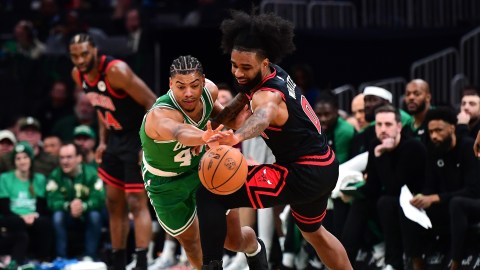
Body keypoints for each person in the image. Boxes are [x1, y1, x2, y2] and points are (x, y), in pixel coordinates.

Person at [199, 10, 352, 270]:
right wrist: (211, 127)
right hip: (324, 166)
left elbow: (262, 116)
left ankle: (213, 266)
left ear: (264, 62)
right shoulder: (273, 73)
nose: (238, 72)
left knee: (211, 192)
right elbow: (241, 100)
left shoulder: (269, 96)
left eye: (245, 67)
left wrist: (236, 136)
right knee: (314, 232)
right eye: (234, 65)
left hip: (302, 173)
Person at [69, 33, 157, 270]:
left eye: (84, 53)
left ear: (95, 50)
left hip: (136, 135)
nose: (79, 60)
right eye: (74, 55)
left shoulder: (116, 71)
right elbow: (100, 106)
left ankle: (141, 262)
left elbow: (152, 102)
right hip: (115, 139)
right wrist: (102, 141)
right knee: (113, 202)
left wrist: (146, 144)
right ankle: (118, 262)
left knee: (136, 202)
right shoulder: (78, 75)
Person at [139, 55, 235, 269]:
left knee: (233, 239)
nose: (189, 93)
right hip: (165, 181)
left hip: (200, 168)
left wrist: (246, 113)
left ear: (203, 81)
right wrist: (202, 136)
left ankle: (254, 251)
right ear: (170, 85)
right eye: (181, 87)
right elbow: (179, 131)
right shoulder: (160, 114)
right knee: (191, 243)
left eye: (194, 85)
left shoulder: (210, 92)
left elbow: (226, 118)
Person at [341, 105, 427, 270]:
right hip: (390, 200)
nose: (382, 129)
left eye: (388, 124)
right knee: (360, 203)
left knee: (386, 202)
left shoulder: (412, 147)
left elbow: (396, 187)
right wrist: (353, 193)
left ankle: (394, 263)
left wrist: (381, 156)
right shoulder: (375, 145)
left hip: (415, 203)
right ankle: (344, 263)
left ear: (399, 126)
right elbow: (373, 185)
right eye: (379, 125)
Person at [408, 107, 480, 270]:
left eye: (439, 130)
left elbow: (474, 190)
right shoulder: (433, 151)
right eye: (431, 131)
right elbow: (429, 186)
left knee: (457, 203)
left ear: (452, 128)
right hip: (448, 205)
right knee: (409, 208)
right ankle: (416, 261)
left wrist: (434, 198)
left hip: (472, 204)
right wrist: (421, 197)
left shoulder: (468, 147)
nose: (434, 136)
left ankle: (456, 262)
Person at [46, 143, 105, 260]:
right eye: (62, 158)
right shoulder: (55, 175)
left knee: (95, 215)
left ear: (79, 158)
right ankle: (61, 257)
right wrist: (68, 206)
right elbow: (51, 201)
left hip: (87, 214)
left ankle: (90, 257)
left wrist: (83, 206)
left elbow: (99, 198)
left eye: (69, 157)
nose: (65, 161)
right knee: (57, 216)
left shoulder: (92, 174)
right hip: (67, 215)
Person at [0, 141, 53, 267]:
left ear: (31, 159)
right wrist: (22, 217)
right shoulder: (5, 178)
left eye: (25, 157)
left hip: (32, 215)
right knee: (16, 223)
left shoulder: (39, 179)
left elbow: (41, 205)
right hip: (13, 216)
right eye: (18, 158)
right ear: (14, 161)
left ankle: (44, 260)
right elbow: (3, 207)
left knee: (44, 222)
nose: (22, 161)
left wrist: (33, 215)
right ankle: (16, 262)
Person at [403, 79, 432, 144]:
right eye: (407, 94)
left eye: (417, 94)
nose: (411, 97)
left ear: (428, 97)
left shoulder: (438, 119)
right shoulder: (406, 125)